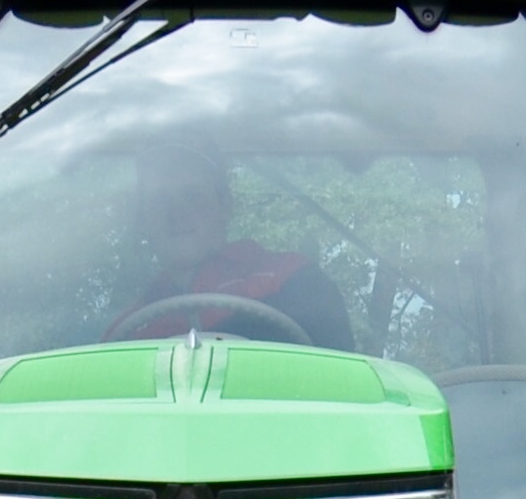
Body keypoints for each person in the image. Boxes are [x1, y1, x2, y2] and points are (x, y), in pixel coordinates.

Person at [105, 143, 351, 352]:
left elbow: (345, 387)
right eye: (160, 199)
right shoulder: (125, 332)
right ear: (143, 219)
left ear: (225, 206)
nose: (176, 213)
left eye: (193, 196)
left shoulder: (294, 280)